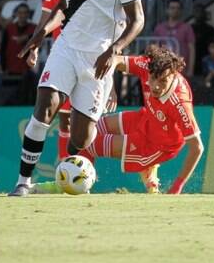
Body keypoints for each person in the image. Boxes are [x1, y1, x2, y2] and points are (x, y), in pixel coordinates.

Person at [8, 0, 144, 196]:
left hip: (98, 61)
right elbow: (64, 9)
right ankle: (23, 182)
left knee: (80, 139)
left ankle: (72, 169)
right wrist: (40, 33)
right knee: (44, 106)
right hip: (67, 48)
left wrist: (115, 50)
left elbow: (138, 20)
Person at [78, 46, 203, 194]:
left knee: (89, 145)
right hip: (146, 119)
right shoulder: (147, 65)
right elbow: (114, 60)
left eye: (163, 81)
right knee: (85, 132)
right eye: (152, 78)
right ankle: (72, 181)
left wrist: (177, 186)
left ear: (174, 74)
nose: (156, 86)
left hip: (156, 145)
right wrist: (110, 88)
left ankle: (76, 187)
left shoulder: (179, 103)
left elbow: (197, 147)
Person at [153, 0, 195, 77]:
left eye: (177, 8)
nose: (175, 10)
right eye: (172, 8)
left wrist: (190, 70)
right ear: (167, 10)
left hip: (181, 69)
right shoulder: (159, 28)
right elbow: (155, 48)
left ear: (181, 11)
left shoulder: (186, 28)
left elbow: (191, 49)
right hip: (163, 68)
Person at [2, 3, 36, 75]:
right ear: (17, 14)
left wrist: (27, 37)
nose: (23, 15)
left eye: (25, 13)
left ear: (28, 14)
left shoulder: (34, 29)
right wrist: (3, 67)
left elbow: (45, 35)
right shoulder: (9, 28)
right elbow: (3, 48)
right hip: (10, 68)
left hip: (27, 70)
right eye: (20, 13)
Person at [189, 3, 214, 76]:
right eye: (196, 11)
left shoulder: (210, 29)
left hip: (207, 58)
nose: (198, 13)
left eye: (200, 11)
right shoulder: (189, 28)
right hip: (193, 59)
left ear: (204, 13)